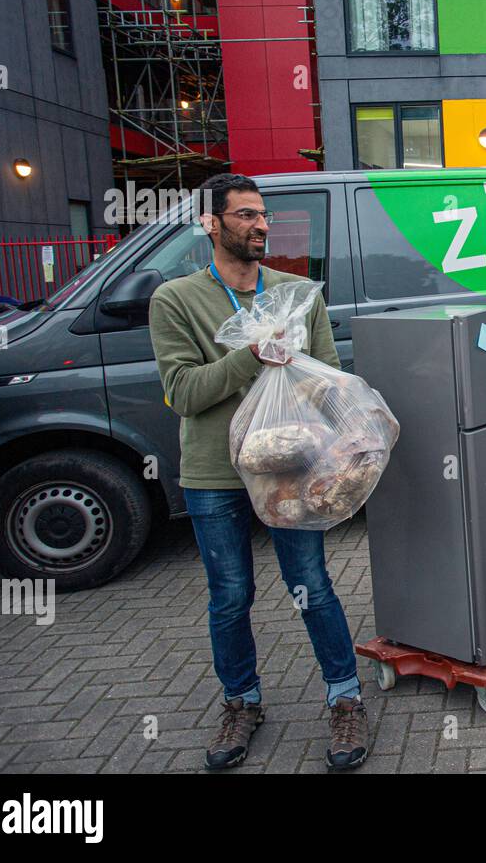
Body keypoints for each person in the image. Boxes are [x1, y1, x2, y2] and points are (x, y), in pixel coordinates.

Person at [149, 173, 370, 770]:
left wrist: (353, 432)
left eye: (264, 215)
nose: (261, 225)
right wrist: (250, 358)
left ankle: (345, 697)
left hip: (292, 471)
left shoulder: (300, 293)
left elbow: (327, 377)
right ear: (211, 224)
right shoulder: (175, 299)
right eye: (245, 215)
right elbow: (182, 393)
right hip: (213, 473)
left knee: (312, 585)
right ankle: (241, 702)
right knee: (230, 595)